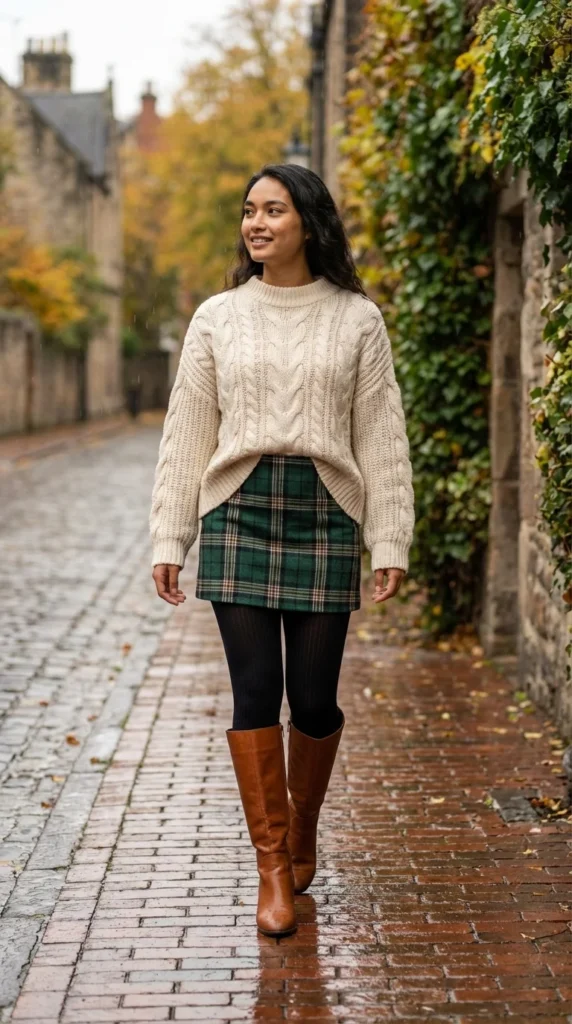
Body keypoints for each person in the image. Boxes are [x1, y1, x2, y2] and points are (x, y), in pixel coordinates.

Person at [149, 164, 414, 938]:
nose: (257, 223)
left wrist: (388, 535)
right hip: (238, 508)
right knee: (255, 691)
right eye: (248, 211)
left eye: (274, 209)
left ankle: (303, 830)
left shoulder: (357, 319)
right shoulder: (216, 318)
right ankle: (272, 867)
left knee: (319, 699)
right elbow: (188, 432)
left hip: (326, 510)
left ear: (309, 221)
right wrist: (171, 535)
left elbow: (381, 435)